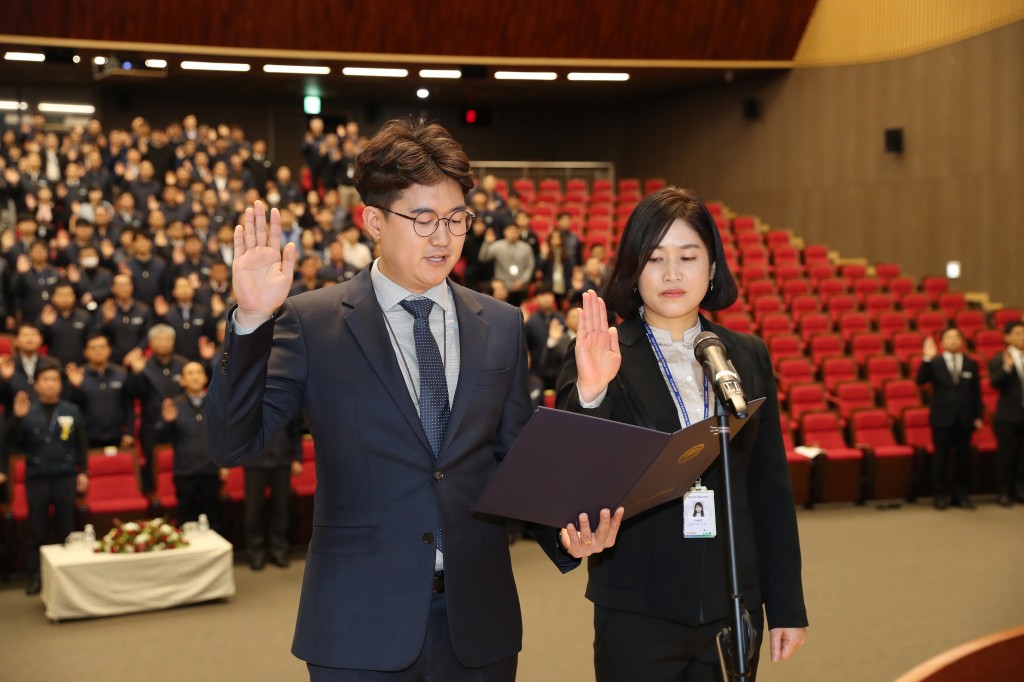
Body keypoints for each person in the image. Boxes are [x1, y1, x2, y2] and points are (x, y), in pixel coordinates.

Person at [206, 118, 615, 680]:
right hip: (359, 622)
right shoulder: (313, 321)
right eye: (422, 219)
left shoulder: (498, 323)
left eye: (455, 219)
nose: (443, 237)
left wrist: (567, 532)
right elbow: (232, 442)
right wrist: (252, 320)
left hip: (479, 621)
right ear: (373, 219)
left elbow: (512, 459)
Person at [556, 187, 808, 680]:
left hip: (732, 601)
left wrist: (786, 605)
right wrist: (591, 390)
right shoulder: (600, 352)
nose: (672, 274)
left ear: (712, 268)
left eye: (688, 257)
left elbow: (769, 488)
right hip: (637, 609)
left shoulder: (746, 353)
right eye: (655, 258)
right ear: (633, 270)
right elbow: (572, 470)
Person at [8, 357, 89, 595]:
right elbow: (12, 444)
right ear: (37, 384)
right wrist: (17, 419)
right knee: (37, 530)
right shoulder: (26, 411)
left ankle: (68, 578)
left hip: (65, 476)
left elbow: (81, 444)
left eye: (55, 379)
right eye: (46, 379)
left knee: (66, 528)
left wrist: (83, 471)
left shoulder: (71, 410)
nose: (50, 383)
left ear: (60, 384)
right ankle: (36, 576)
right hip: (38, 477)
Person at [156, 362, 228, 530]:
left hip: (211, 471)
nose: (195, 376)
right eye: (190, 373)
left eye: (198, 372)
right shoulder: (175, 406)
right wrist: (166, 422)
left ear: (205, 378)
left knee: (213, 517)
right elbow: (158, 436)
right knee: (186, 519)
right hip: (185, 472)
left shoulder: (216, 403)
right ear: (182, 380)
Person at [916, 328, 983, 509]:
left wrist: (978, 415)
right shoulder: (935, 363)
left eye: (956, 337)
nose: (953, 340)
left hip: (965, 418)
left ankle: (961, 495)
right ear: (942, 342)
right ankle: (939, 495)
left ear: (962, 341)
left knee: (964, 458)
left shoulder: (971, 364)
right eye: (949, 338)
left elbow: (976, 393)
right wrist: (927, 358)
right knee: (941, 457)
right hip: (942, 418)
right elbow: (920, 380)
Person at [244, 416, 304, 571]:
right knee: (253, 511)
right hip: (254, 461)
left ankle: (279, 550)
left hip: (282, 460)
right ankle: (256, 552)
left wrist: (297, 457)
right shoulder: (247, 397)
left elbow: (295, 431)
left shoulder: (286, 395)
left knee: (281, 510)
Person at [990, 321, 1024, 507]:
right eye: (1018, 333)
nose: (1022, 337)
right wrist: (1007, 368)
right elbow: (995, 384)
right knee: (1005, 455)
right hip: (1007, 415)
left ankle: (1020, 489)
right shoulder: (999, 358)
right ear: (1007, 337)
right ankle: (1002, 491)